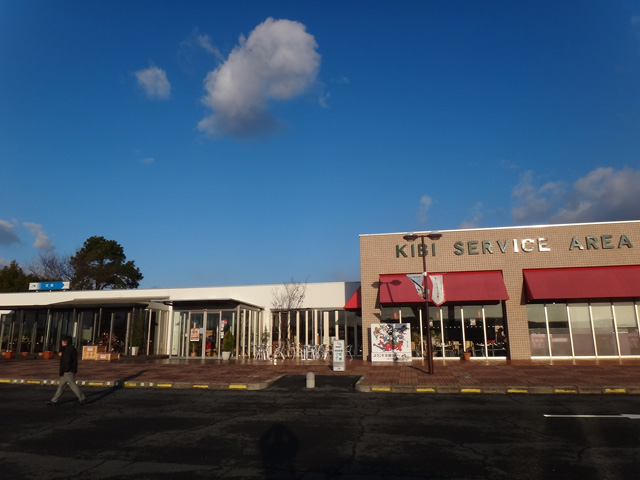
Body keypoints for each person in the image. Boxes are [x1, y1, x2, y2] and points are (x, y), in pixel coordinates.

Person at [46, 336, 86, 406]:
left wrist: (66, 369)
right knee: (61, 386)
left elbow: (67, 360)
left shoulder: (68, 349)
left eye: (62, 341)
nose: (61, 342)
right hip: (67, 370)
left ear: (65, 342)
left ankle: (82, 398)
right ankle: (54, 401)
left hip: (68, 371)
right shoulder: (69, 348)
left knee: (73, 385)